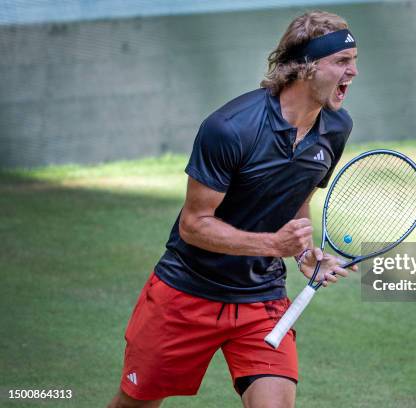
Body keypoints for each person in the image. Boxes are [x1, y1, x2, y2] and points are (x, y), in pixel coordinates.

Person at [108, 10, 359, 408]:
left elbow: (298, 199)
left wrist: (303, 252)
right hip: (186, 294)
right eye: (342, 62)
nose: (354, 72)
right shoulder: (230, 128)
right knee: (135, 404)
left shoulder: (335, 128)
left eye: (355, 61)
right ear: (306, 68)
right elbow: (194, 226)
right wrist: (272, 245)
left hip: (261, 298)